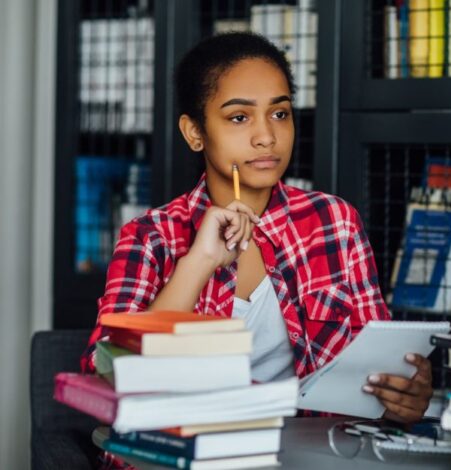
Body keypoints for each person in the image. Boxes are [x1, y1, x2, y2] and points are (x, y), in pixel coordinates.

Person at [82, 32, 433, 424]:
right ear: (194, 132)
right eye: (239, 117)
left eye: (280, 113)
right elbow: (109, 380)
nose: (267, 136)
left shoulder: (334, 222)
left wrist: (405, 397)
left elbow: (381, 367)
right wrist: (198, 262)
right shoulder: (151, 237)